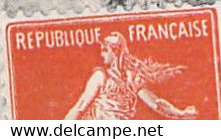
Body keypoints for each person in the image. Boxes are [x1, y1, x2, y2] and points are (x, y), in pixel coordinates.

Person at [63, 33, 197, 121]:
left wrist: (179, 113)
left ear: (115, 51)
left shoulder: (133, 78)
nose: (102, 55)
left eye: (105, 50)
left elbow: (155, 103)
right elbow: (80, 106)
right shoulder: (100, 76)